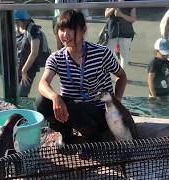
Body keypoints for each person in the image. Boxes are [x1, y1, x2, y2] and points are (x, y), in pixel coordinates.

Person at [36, 10, 127, 145]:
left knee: (74, 107)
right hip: (73, 111)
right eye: (61, 29)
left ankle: (95, 138)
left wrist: (116, 103)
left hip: (99, 111)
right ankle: (67, 135)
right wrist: (55, 97)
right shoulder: (56, 57)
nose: (65, 35)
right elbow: (43, 83)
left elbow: (122, 76)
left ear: (83, 30)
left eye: (71, 29)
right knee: (42, 102)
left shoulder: (101, 53)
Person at [14, 10, 51, 97]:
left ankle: (22, 110)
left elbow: (34, 53)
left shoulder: (33, 30)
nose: (15, 23)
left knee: (22, 94)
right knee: (14, 92)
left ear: (24, 20)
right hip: (18, 63)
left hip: (29, 67)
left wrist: (24, 71)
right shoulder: (17, 28)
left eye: (16, 21)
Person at [104, 0, 136, 70]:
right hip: (112, 32)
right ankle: (117, 68)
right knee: (108, 53)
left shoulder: (130, 2)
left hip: (126, 33)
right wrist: (113, 7)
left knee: (124, 56)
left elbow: (133, 19)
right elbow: (106, 15)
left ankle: (121, 76)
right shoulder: (111, 1)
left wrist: (121, 15)